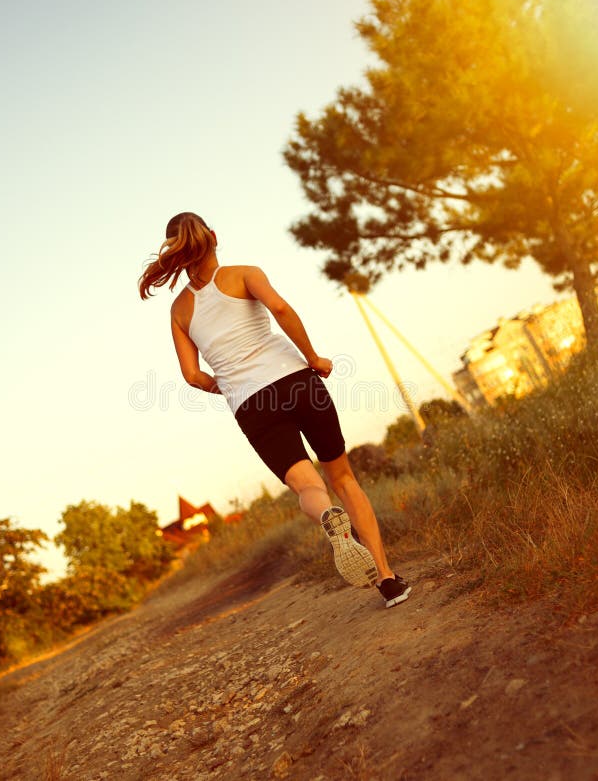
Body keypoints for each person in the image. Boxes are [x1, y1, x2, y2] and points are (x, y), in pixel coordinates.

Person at [139, 212, 411, 608]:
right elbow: (281, 311)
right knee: (343, 477)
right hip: (297, 381)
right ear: (214, 236)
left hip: (252, 404)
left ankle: (327, 519)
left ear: (176, 254)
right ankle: (387, 579)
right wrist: (313, 357)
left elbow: (193, 376)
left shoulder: (179, 311)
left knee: (308, 486)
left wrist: (230, 386)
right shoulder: (245, 273)